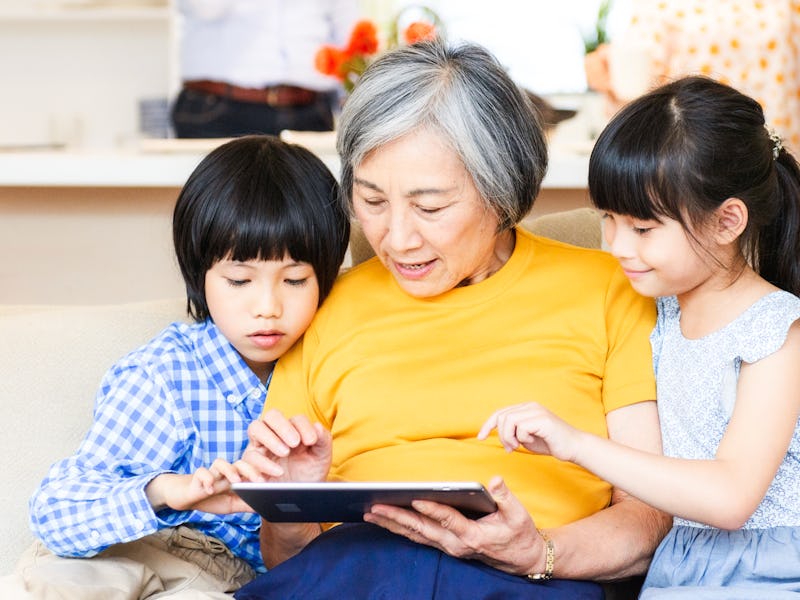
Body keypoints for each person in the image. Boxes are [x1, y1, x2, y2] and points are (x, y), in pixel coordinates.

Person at [229, 39, 671, 599]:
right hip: (355, 571)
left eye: (430, 207)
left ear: (501, 191)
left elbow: (651, 514)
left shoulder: (609, 289)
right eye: (371, 200)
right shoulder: (326, 307)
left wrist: (541, 554)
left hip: (531, 576)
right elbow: (285, 562)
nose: (396, 238)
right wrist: (289, 506)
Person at [480, 76, 800, 598]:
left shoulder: (776, 331)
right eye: (608, 219)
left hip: (770, 570)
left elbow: (731, 498)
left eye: (643, 229)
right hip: (677, 567)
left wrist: (576, 445)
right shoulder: (655, 309)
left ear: (727, 221)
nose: (616, 246)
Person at [10, 135, 350, 599]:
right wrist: (167, 491)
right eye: (238, 280)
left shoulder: (336, 365)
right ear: (199, 275)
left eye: (294, 280)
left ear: (326, 277)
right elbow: (54, 513)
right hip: (145, 546)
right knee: (57, 578)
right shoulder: (164, 375)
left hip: (236, 579)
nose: (267, 307)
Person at [584, 0, 800, 151]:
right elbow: (636, 87)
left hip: (780, 153)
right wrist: (607, 74)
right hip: (692, 157)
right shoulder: (657, 6)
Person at [171, 0, 359, 138]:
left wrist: (356, 110)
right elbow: (206, 8)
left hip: (310, 110)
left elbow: (349, 34)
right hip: (219, 110)